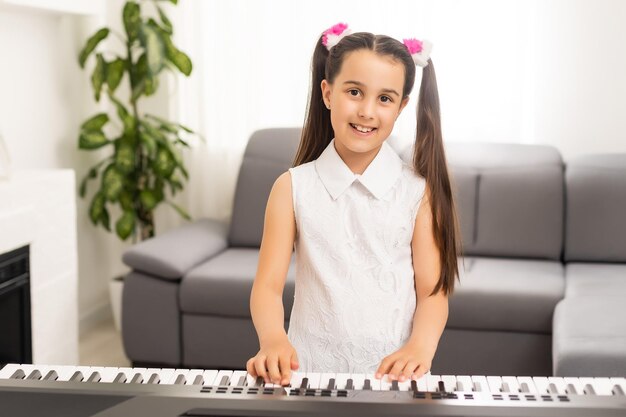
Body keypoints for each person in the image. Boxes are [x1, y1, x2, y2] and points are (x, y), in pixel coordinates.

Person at [246, 22, 461, 387]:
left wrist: (420, 348)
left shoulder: (417, 193)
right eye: (355, 92)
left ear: (401, 106)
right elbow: (266, 287)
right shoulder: (291, 188)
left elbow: (432, 291)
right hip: (307, 375)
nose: (367, 111)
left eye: (385, 98)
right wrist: (273, 340)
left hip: (394, 378)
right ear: (328, 93)